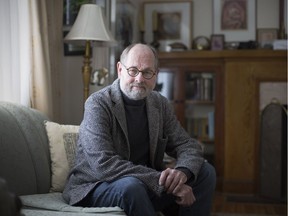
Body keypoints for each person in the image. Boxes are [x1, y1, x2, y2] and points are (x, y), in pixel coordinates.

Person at [63, 43, 216, 216]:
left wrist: (182, 173)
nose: (139, 79)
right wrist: (161, 180)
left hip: (145, 183)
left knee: (205, 172)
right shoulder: (97, 104)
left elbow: (187, 145)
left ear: (156, 75)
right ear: (120, 69)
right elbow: (103, 164)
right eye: (133, 70)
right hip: (95, 186)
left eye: (147, 72)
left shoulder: (160, 104)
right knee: (131, 186)